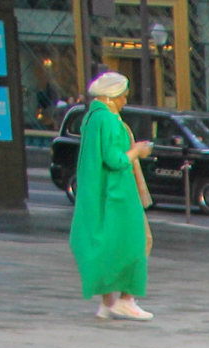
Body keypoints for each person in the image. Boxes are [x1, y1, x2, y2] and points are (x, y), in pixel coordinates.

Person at [69, 71, 153, 321]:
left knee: (107, 244)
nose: (125, 101)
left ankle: (108, 302)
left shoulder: (91, 118)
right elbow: (115, 159)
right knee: (139, 240)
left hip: (100, 192)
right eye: (123, 96)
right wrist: (137, 151)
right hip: (117, 193)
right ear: (112, 96)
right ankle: (126, 299)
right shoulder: (109, 120)